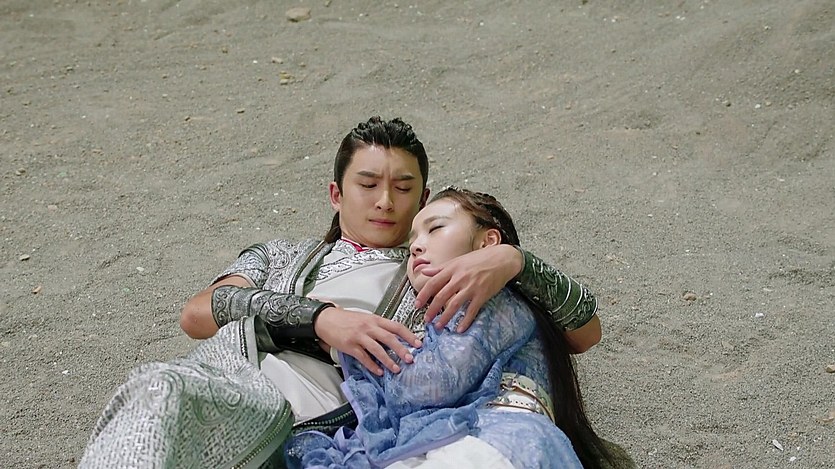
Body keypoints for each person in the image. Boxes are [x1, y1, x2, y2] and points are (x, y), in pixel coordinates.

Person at [80, 117, 605, 467]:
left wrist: (515, 260)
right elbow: (198, 313)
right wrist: (320, 319)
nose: (386, 202)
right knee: (156, 391)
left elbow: (581, 334)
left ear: (423, 198)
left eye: (404, 188)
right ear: (336, 193)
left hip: (312, 417)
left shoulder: (434, 271)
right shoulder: (280, 255)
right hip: (227, 372)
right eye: (368, 184)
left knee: (162, 401)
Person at [284, 188, 615, 469]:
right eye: (412, 240)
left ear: (489, 242)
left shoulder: (496, 300)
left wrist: (352, 346)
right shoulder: (450, 309)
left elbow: (430, 384)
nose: (416, 246)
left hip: (501, 442)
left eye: (435, 229)